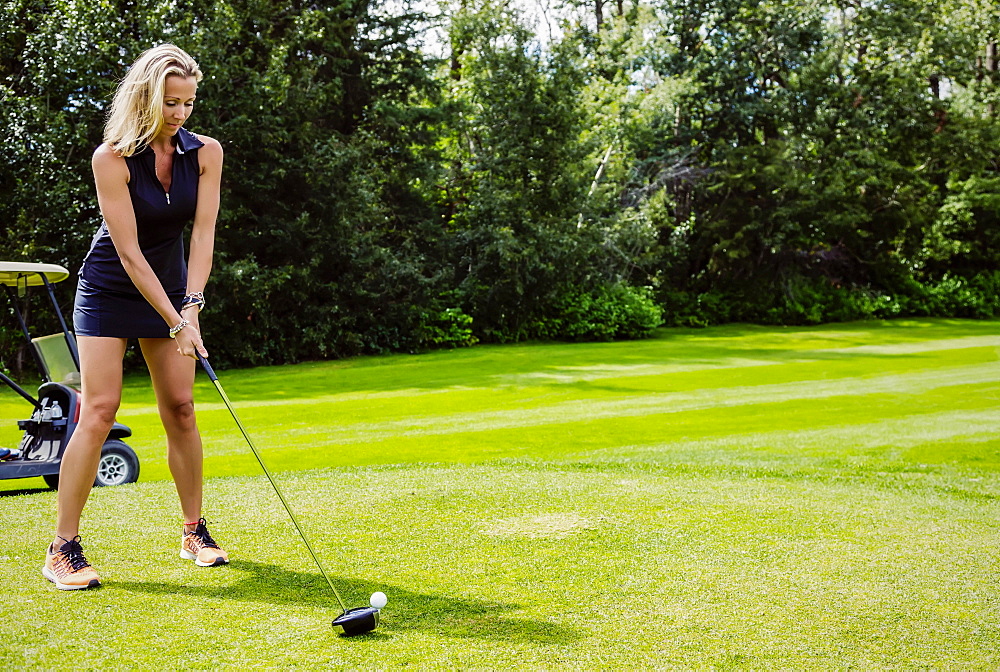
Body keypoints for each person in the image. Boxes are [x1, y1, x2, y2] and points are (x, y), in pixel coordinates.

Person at [43, 44, 228, 590]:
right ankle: (62, 547)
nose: (180, 114)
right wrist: (176, 321)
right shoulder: (112, 159)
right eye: (170, 102)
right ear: (146, 99)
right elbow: (127, 253)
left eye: (189, 103)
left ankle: (194, 531)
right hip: (110, 289)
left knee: (183, 407)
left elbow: (203, 233)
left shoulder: (207, 153)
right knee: (99, 409)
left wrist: (190, 306)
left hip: (172, 286)